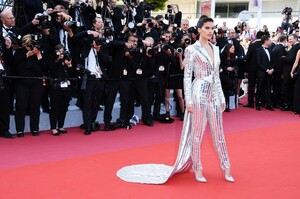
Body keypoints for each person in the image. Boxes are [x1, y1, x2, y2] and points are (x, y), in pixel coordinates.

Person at [116, 16, 234, 184]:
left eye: (212, 28)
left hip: (214, 94)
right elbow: (187, 77)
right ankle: (197, 168)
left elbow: (216, 76)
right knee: (197, 134)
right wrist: (189, 102)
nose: (210, 31)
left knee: (219, 132)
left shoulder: (215, 49)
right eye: (207, 28)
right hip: (198, 91)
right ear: (199, 29)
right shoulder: (191, 50)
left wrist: (221, 96)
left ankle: (226, 167)